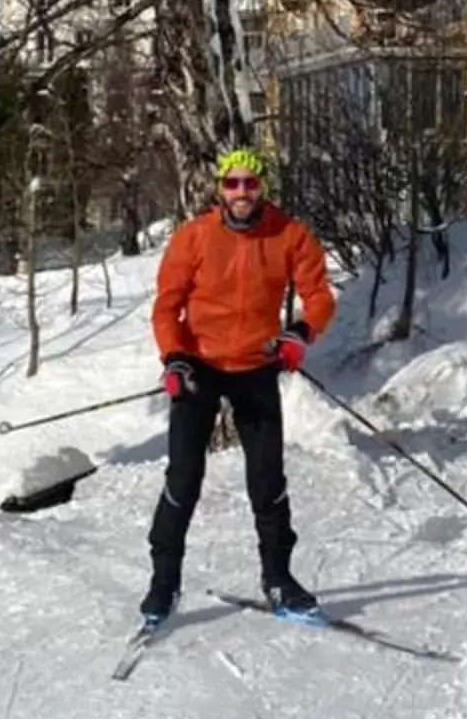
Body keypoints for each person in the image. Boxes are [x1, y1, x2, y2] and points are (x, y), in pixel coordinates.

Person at [144, 147, 336, 624]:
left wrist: (300, 334)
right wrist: (174, 358)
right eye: (233, 183)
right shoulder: (194, 238)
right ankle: (163, 585)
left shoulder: (289, 234)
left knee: (267, 479)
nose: (242, 192)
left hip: (256, 365)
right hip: (199, 367)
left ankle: (279, 580)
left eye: (251, 184)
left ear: (262, 188)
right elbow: (166, 307)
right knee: (183, 479)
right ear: (220, 189)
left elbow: (319, 297)